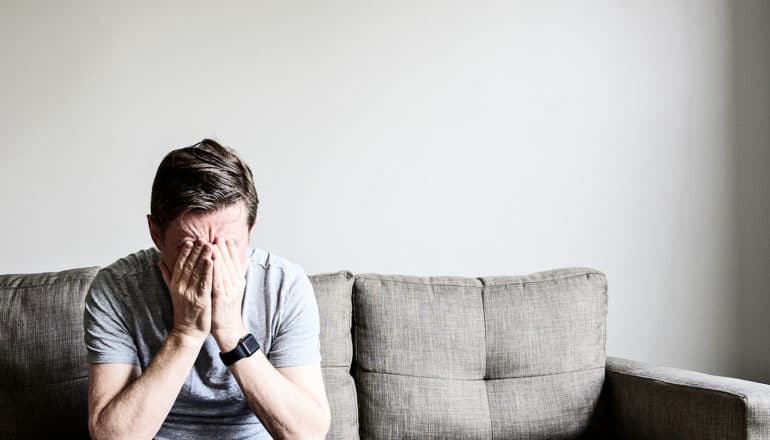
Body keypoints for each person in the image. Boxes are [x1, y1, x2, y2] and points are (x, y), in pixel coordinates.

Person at [83, 139, 331, 440]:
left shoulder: (284, 286)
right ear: (156, 234)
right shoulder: (116, 289)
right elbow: (113, 436)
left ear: (251, 230)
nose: (212, 262)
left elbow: (307, 434)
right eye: (190, 248)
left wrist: (232, 332)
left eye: (230, 245)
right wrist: (185, 334)